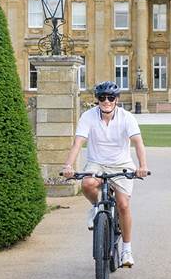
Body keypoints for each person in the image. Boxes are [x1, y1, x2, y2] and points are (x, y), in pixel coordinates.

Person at [62, 81, 149, 268]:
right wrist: (68, 166)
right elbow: (78, 143)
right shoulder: (88, 116)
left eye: (111, 97)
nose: (106, 101)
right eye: (102, 98)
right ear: (97, 99)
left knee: (123, 205)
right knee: (87, 184)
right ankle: (96, 206)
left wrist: (142, 166)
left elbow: (138, 142)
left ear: (116, 99)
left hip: (121, 164)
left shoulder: (127, 117)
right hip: (97, 163)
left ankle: (126, 250)